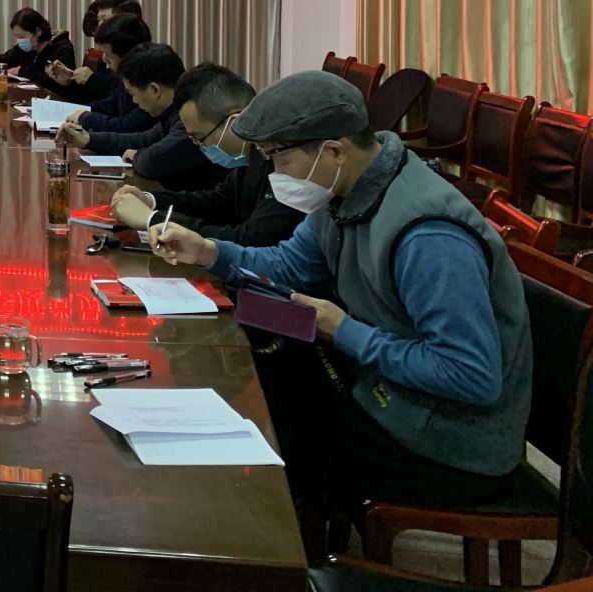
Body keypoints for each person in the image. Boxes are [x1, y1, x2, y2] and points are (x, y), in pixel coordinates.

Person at [149, 71, 531, 510]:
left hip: (449, 442)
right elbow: (289, 265)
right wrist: (210, 252)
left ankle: (252, 541)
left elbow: (470, 374)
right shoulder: (344, 191)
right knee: (251, 387)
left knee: (262, 439)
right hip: (384, 392)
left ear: (333, 151)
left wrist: (345, 331)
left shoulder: (428, 235)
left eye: (279, 160)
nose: (274, 175)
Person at [108, 63, 305, 246]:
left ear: (235, 122)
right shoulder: (252, 153)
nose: (199, 146)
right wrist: (151, 200)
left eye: (199, 137)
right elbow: (219, 202)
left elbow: (251, 240)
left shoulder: (285, 161)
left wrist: (154, 220)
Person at [61, 43, 219, 190]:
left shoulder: (192, 119)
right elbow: (142, 139)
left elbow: (154, 161)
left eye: (133, 94)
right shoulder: (172, 112)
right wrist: (89, 139)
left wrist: (136, 155)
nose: (134, 101)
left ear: (154, 90)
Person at [63, 12, 153, 131]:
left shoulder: (148, 81)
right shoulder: (124, 76)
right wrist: (69, 110)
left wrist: (85, 118)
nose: (104, 59)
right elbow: (108, 106)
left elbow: (128, 126)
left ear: (128, 56)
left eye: (109, 55)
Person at [47, 0, 143, 104]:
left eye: (105, 20)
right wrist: (69, 82)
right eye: (98, 21)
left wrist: (91, 79)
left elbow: (118, 102)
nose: (99, 26)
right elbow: (91, 98)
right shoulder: (105, 57)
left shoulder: (140, 64)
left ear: (126, 21)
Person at [0, 8, 77, 94]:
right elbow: (2, 60)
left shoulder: (62, 48)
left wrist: (21, 71)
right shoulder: (26, 48)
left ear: (38, 31)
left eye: (22, 37)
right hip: (28, 99)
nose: (20, 41)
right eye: (17, 37)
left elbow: (59, 84)